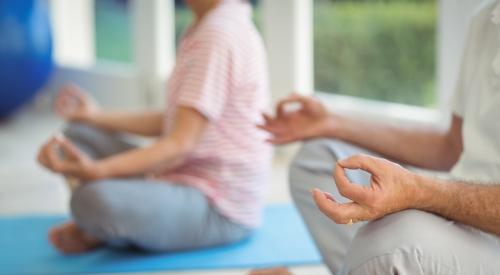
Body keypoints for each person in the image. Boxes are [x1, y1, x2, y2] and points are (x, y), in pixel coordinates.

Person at [252, 1, 500, 274]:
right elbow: (451, 147)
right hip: (463, 218)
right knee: (318, 158)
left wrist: (419, 192)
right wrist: (332, 123)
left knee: (393, 241)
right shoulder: (485, 20)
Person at [37, 0, 271, 254]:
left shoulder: (218, 34)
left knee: (89, 201)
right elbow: (174, 119)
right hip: (179, 176)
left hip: (218, 207)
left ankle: (102, 228)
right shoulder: (207, 24)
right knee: (79, 136)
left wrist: (97, 171)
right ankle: (111, 226)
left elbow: (180, 144)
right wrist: (95, 116)